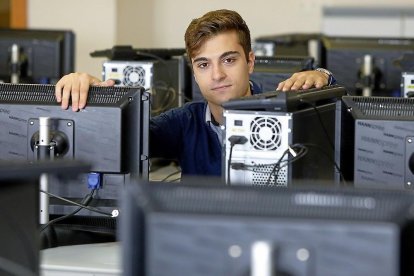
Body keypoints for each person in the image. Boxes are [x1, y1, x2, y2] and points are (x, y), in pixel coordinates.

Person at [55, 9, 335, 178]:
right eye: (204, 64)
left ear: (250, 61)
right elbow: (125, 133)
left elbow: (337, 118)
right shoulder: (184, 123)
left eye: (228, 60)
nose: (217, 75)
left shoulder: (284, 113)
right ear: (193, 71)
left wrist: (322, 75)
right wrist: (91, 94)